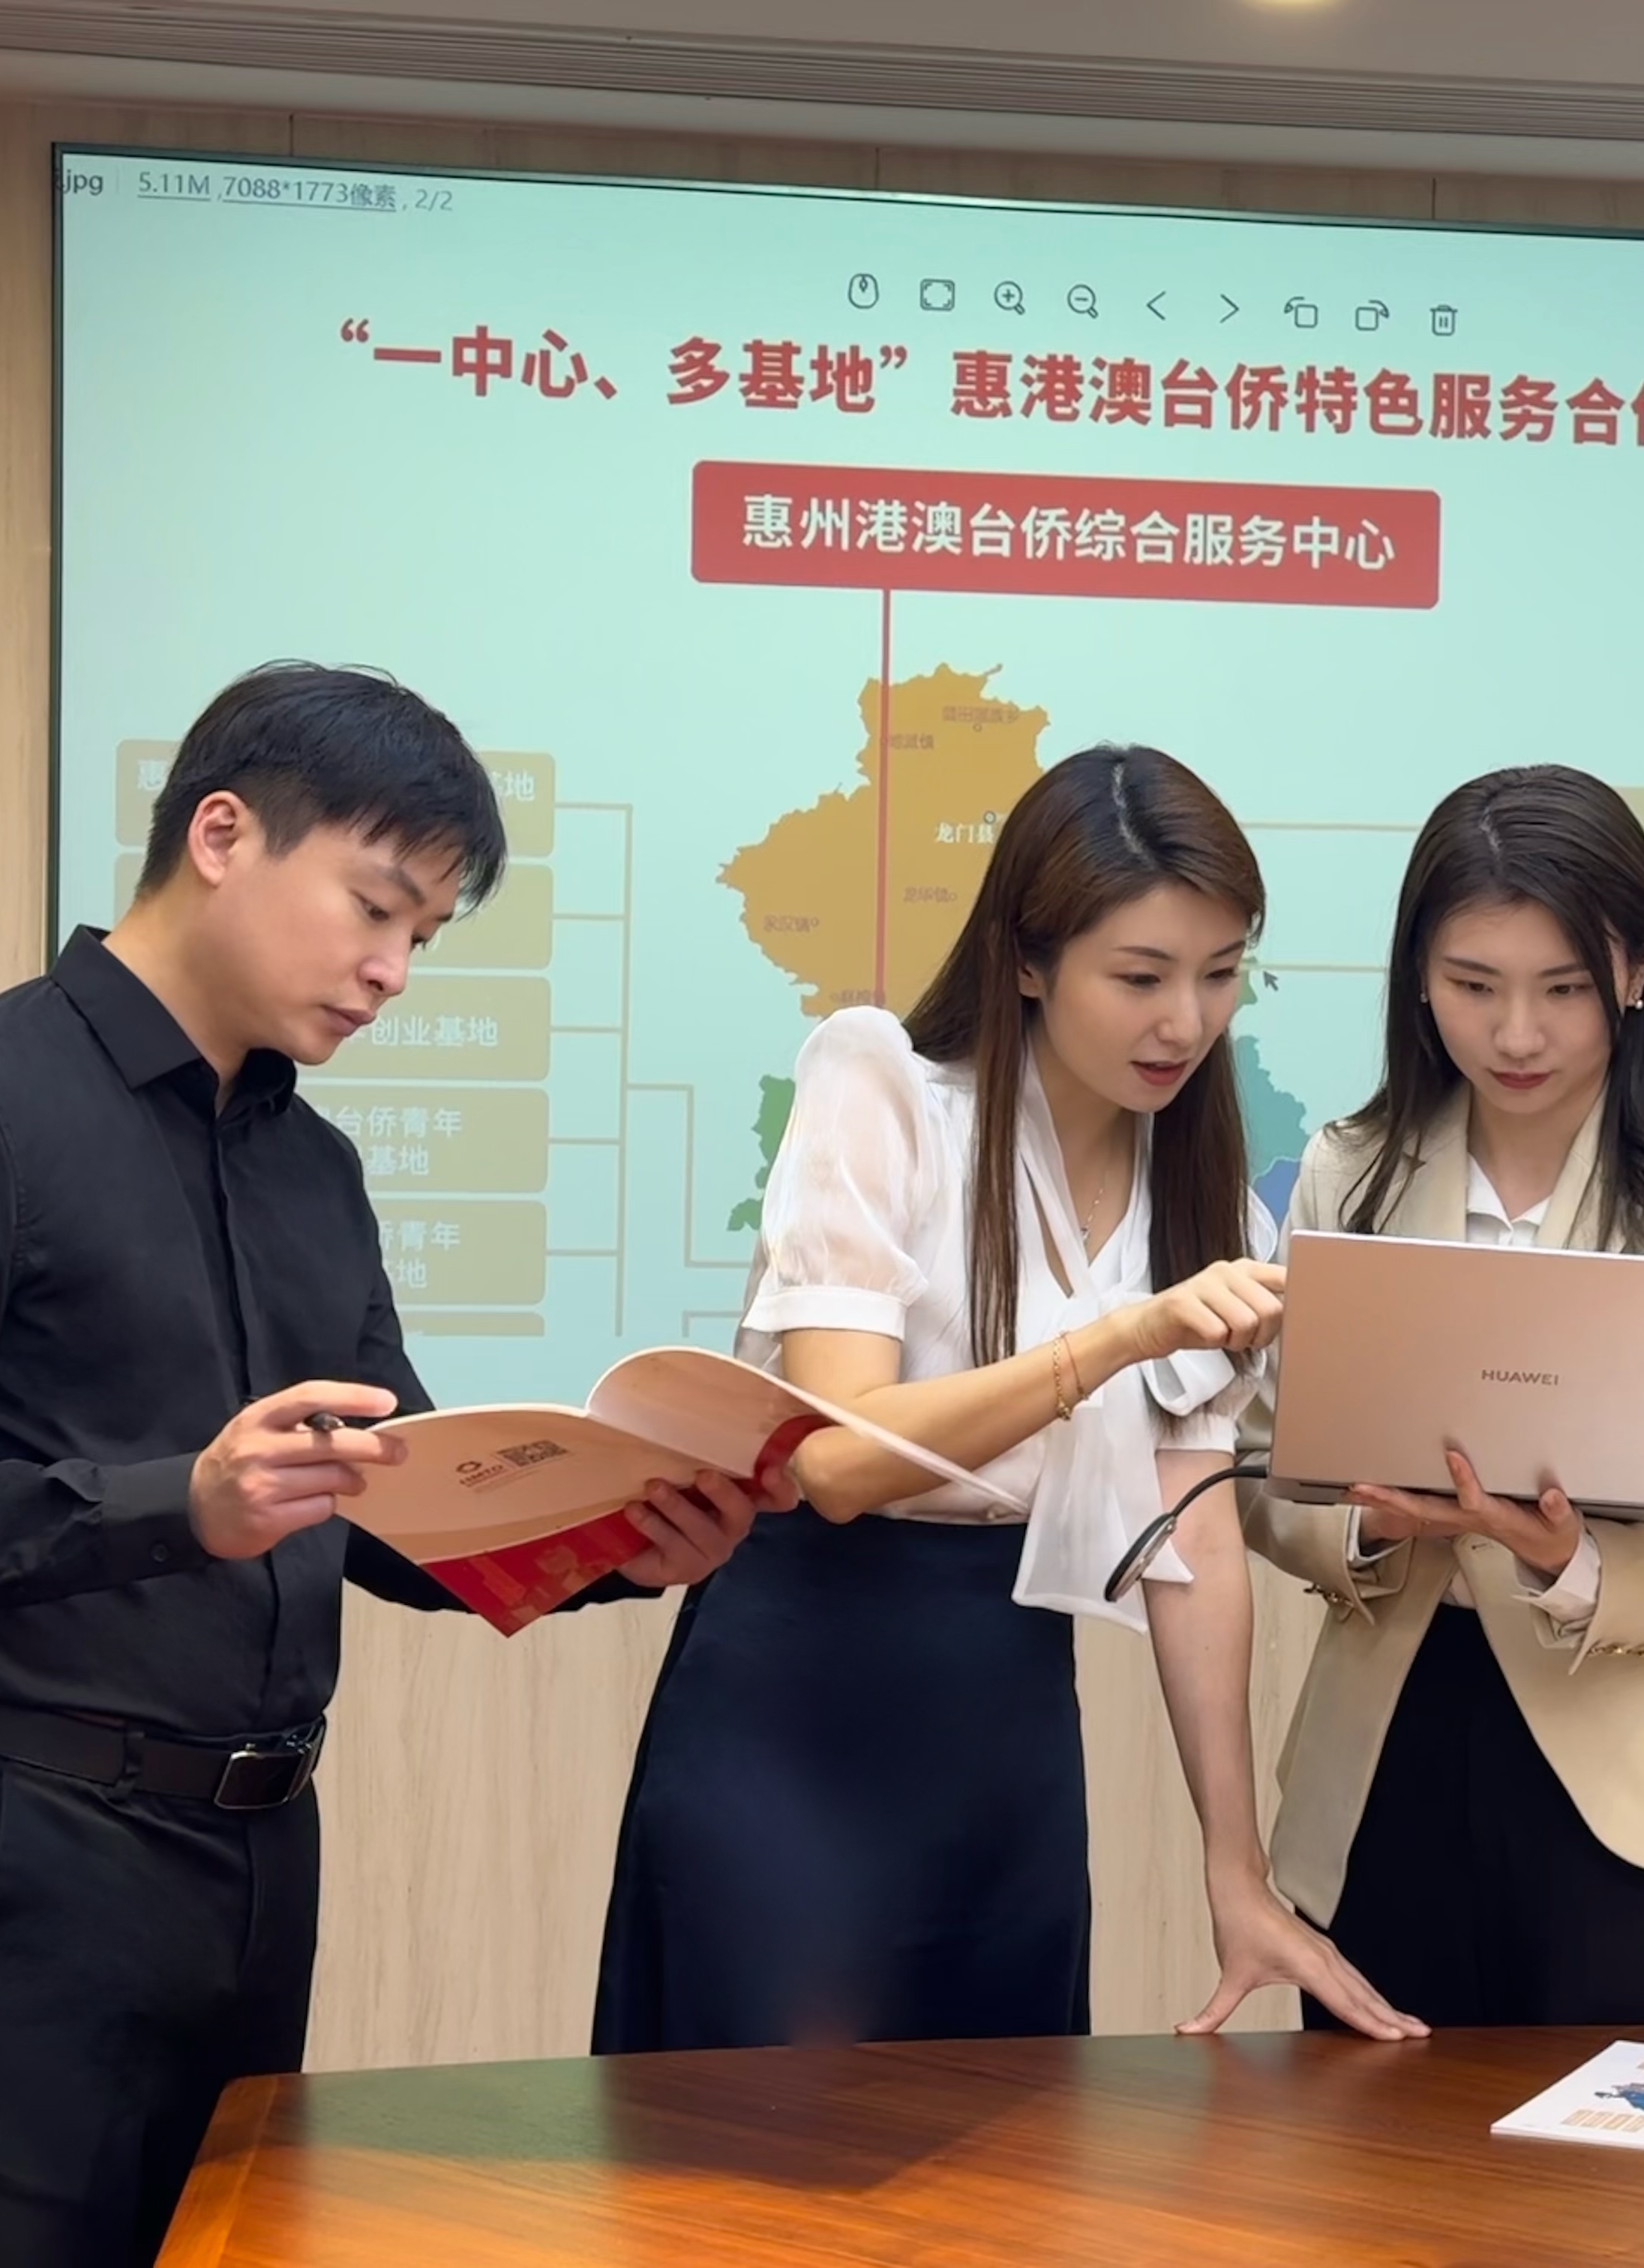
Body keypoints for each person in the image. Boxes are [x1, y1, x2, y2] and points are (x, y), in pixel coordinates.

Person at [0, 663, 779, 2268]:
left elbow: (390, 1498)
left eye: (425, 936)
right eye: (375, 909)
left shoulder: (318, 1170)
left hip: (263, 1854)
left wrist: (612, 1548)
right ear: (221, 835)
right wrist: (181, 1504)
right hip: (15, 1856)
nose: (393, 971)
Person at [594, 744, 1417, 2054]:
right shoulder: (885, 1089)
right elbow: (839, 1462)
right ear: (1028, 960)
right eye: (1140, 977)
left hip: (1007, 1717)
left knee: (1004, 2143)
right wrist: (1116, 1338)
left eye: (1220, 975)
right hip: (801, 1697)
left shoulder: (1199, 1186)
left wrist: (1236, 1872)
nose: (1185, 1022)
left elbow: (1195, 1540)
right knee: (767, 2147)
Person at [1242, 764, 1644, 2029]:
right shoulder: (1348, 1172)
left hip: (1634, 1771)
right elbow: (1261, 1473)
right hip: (1391, 1748)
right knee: (1371, 2135)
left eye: (1563, 990)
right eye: (1474, 986)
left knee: (1620, 2144)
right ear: (1417, 977)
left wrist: (1566, 1558)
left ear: (1640, 968)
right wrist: (1369, 1521)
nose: (1517, 1035)